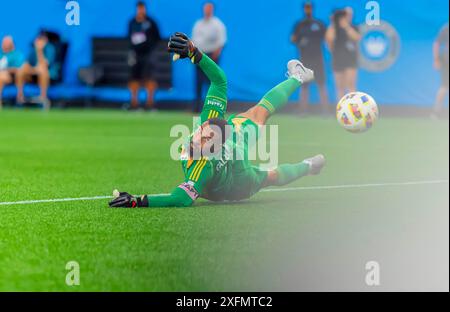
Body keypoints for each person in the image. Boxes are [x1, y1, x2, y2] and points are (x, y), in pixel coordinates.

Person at [109, 32, 325, 208]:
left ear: (213, 150)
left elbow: (181, 199)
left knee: (271, 176)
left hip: (239, 183)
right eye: (204, 135)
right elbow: (220, 82)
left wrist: (137, 201)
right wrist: (194, 53)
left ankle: (307, 165)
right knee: (257, 114)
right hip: (231, 147)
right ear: (203, 125)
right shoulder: (210, 123)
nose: (201, 141)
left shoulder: (203, 167)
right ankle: (299, 76)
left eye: (208, 144)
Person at [291, 1, 328, 114]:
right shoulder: (299, 24)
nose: (308, 9)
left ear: (312, 8)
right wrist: (300, 41)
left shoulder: (319, 23)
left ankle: (326, 110)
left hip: (318, 59)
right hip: (304, 60)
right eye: (306, 7)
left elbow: (326, 38)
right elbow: (293, 38)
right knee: (304, 86)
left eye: (310, 7)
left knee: (321, 84)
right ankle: (303, 110)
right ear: (303, 9)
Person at [192, 2, 227, 113]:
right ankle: (197, 107)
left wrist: (215, 56)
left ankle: (213, 107)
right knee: (198, 82)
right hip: (199, 55)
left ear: (212, 10)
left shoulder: (218, 24)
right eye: (205, 8)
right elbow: (193, 40)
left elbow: (221, 41)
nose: (207, 10)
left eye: (209, 8)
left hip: (211, 56)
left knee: (212, 83)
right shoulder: (198, 24)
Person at [127, 1, 161, 110]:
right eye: (139, 8)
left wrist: (149, 45)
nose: (141, 11)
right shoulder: (132, 22)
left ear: (145, 9)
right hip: (136, 54)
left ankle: (149, 104)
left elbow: (157, 37)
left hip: (148, 54)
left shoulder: (151, 22)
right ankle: (134, 103)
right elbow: (129, 37)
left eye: (142, 8)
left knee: (149, 78)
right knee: (134, 78)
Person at [15, 31, 59, 109]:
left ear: (45, 41)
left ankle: (43, 98)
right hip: (34, 74)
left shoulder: (50, 48)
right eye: (38, 39)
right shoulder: (33, 49)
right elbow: (27, 64)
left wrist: (39, 50)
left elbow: (44, 65)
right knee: (21, 70)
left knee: (42, 71)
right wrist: (30, 69)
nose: (39, 42)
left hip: (48, 75)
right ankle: (20, 98)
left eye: (42, 40)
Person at [325, 8, 361, 101]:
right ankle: (341, 110)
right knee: (340, 87)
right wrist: (333, 22)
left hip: (351, 59)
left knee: (350, 85)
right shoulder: (334, 28)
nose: (347, 17)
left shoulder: (354, 27)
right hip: (338, 59)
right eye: (345, 15)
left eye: (349, 15)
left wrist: (346, 26)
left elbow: (357, 37)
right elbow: (329, 39)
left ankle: (353, 108)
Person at [0, 36, 24, 108]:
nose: (4, 44)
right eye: (3, 42)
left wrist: (6, 70)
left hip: (12, 77)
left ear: (12, 44)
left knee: (1, 76)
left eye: (7, 43)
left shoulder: (17, 54)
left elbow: (19, 69)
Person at [431, 23, 449, 118]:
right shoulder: (446, 28)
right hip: (447, 61)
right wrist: (436, 59)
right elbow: (436, 43)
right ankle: (436, 112)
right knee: (444, 87)